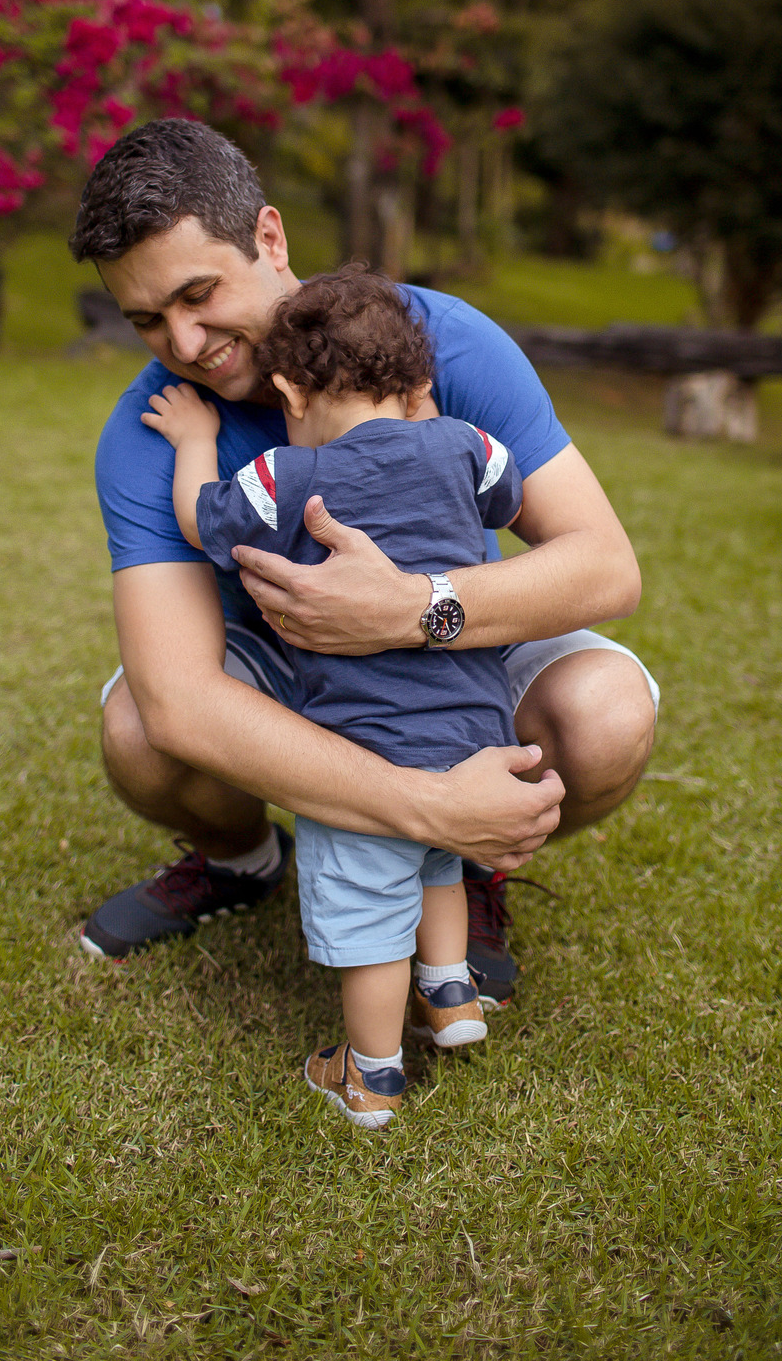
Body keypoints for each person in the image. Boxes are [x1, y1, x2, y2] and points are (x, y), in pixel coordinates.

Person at [71, 117, 658, 1008]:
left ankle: (464, 867)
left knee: (606, 716)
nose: (185, 345)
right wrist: (422, 803)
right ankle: (244, 861)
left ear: (269, 237)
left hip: (447, 667)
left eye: (199, 295)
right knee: (138, 734)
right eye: (148, 320)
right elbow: (178, 700)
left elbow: (606, 568)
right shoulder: (153, 429)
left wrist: (412, 609)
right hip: (283, 673)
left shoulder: (435, 342)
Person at [143, 266, 526, 1128]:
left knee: (370, 900)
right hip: (475, 721)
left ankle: (371, 1073)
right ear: (414, 381)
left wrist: (197, 440)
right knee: (438, 858)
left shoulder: (288, 472)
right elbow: (507, 496)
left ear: (289, 388)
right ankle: (453, 994)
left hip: (366, 737)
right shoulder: (469, 445)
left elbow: (206, 521)